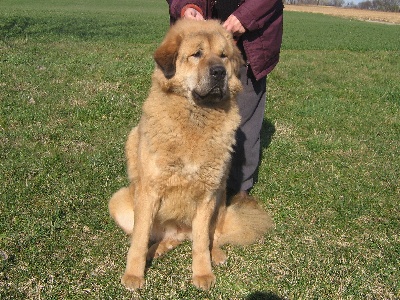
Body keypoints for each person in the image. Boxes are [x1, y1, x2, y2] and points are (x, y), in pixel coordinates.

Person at [166, 0, 284, 200]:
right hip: (195, 43)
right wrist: (187, 5)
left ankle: (237, 190)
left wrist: (246, 16)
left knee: (244, 120)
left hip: (249, 42)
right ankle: (183, 187)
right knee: (185, 119)